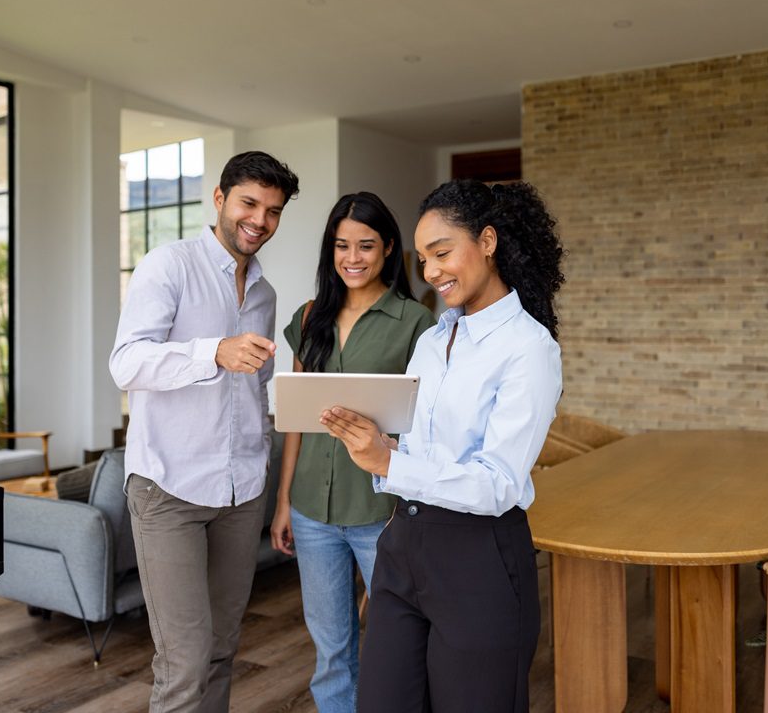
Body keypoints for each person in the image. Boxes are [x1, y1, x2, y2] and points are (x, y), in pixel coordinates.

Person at [320, 179, 564, 713]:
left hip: (480, 558)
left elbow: (499, 482)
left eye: (442, 253)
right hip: (405, 543)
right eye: (423, 258)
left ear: (488, 242)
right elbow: (417, 450)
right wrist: (381, 451)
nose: (430, 272)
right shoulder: (432, 341)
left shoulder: (529, 349)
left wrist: (392, 462)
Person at [109, 151, 300, 713]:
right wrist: (212, 351)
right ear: (219, 200)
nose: (259, 220)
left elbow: (253, 389)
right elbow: (127, 364)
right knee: (184, 660)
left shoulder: (264, 295)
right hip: (168, 488)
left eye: (273, 210)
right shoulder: (168, 265)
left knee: (221, 647)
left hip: (241, 493)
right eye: (249, 203)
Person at [270, 192, 434, 713]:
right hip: (311, 512)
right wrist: (283, 502)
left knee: (396, 642)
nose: (353, 257)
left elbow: (425, 426)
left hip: (380, 512)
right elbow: (295, 421)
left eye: (366, 245)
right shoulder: (310, 316)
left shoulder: (416, 323)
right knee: (331, 646)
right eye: (342, 245)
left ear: (389, 248)